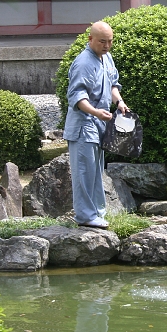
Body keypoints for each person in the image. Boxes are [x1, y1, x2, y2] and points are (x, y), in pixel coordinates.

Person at [64, 21, 129, 229]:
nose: (107, 45)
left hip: (99, 124)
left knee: (96, 171)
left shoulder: (106, 58)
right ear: (90, 39)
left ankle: (98, 213)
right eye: (102, 41)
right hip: (83, 126)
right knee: (84, 172)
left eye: (110, 41)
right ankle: (85, 216)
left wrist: (118, 102)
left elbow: (112, 84)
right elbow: (76, 96)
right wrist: (95, 112)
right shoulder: (83, 63)